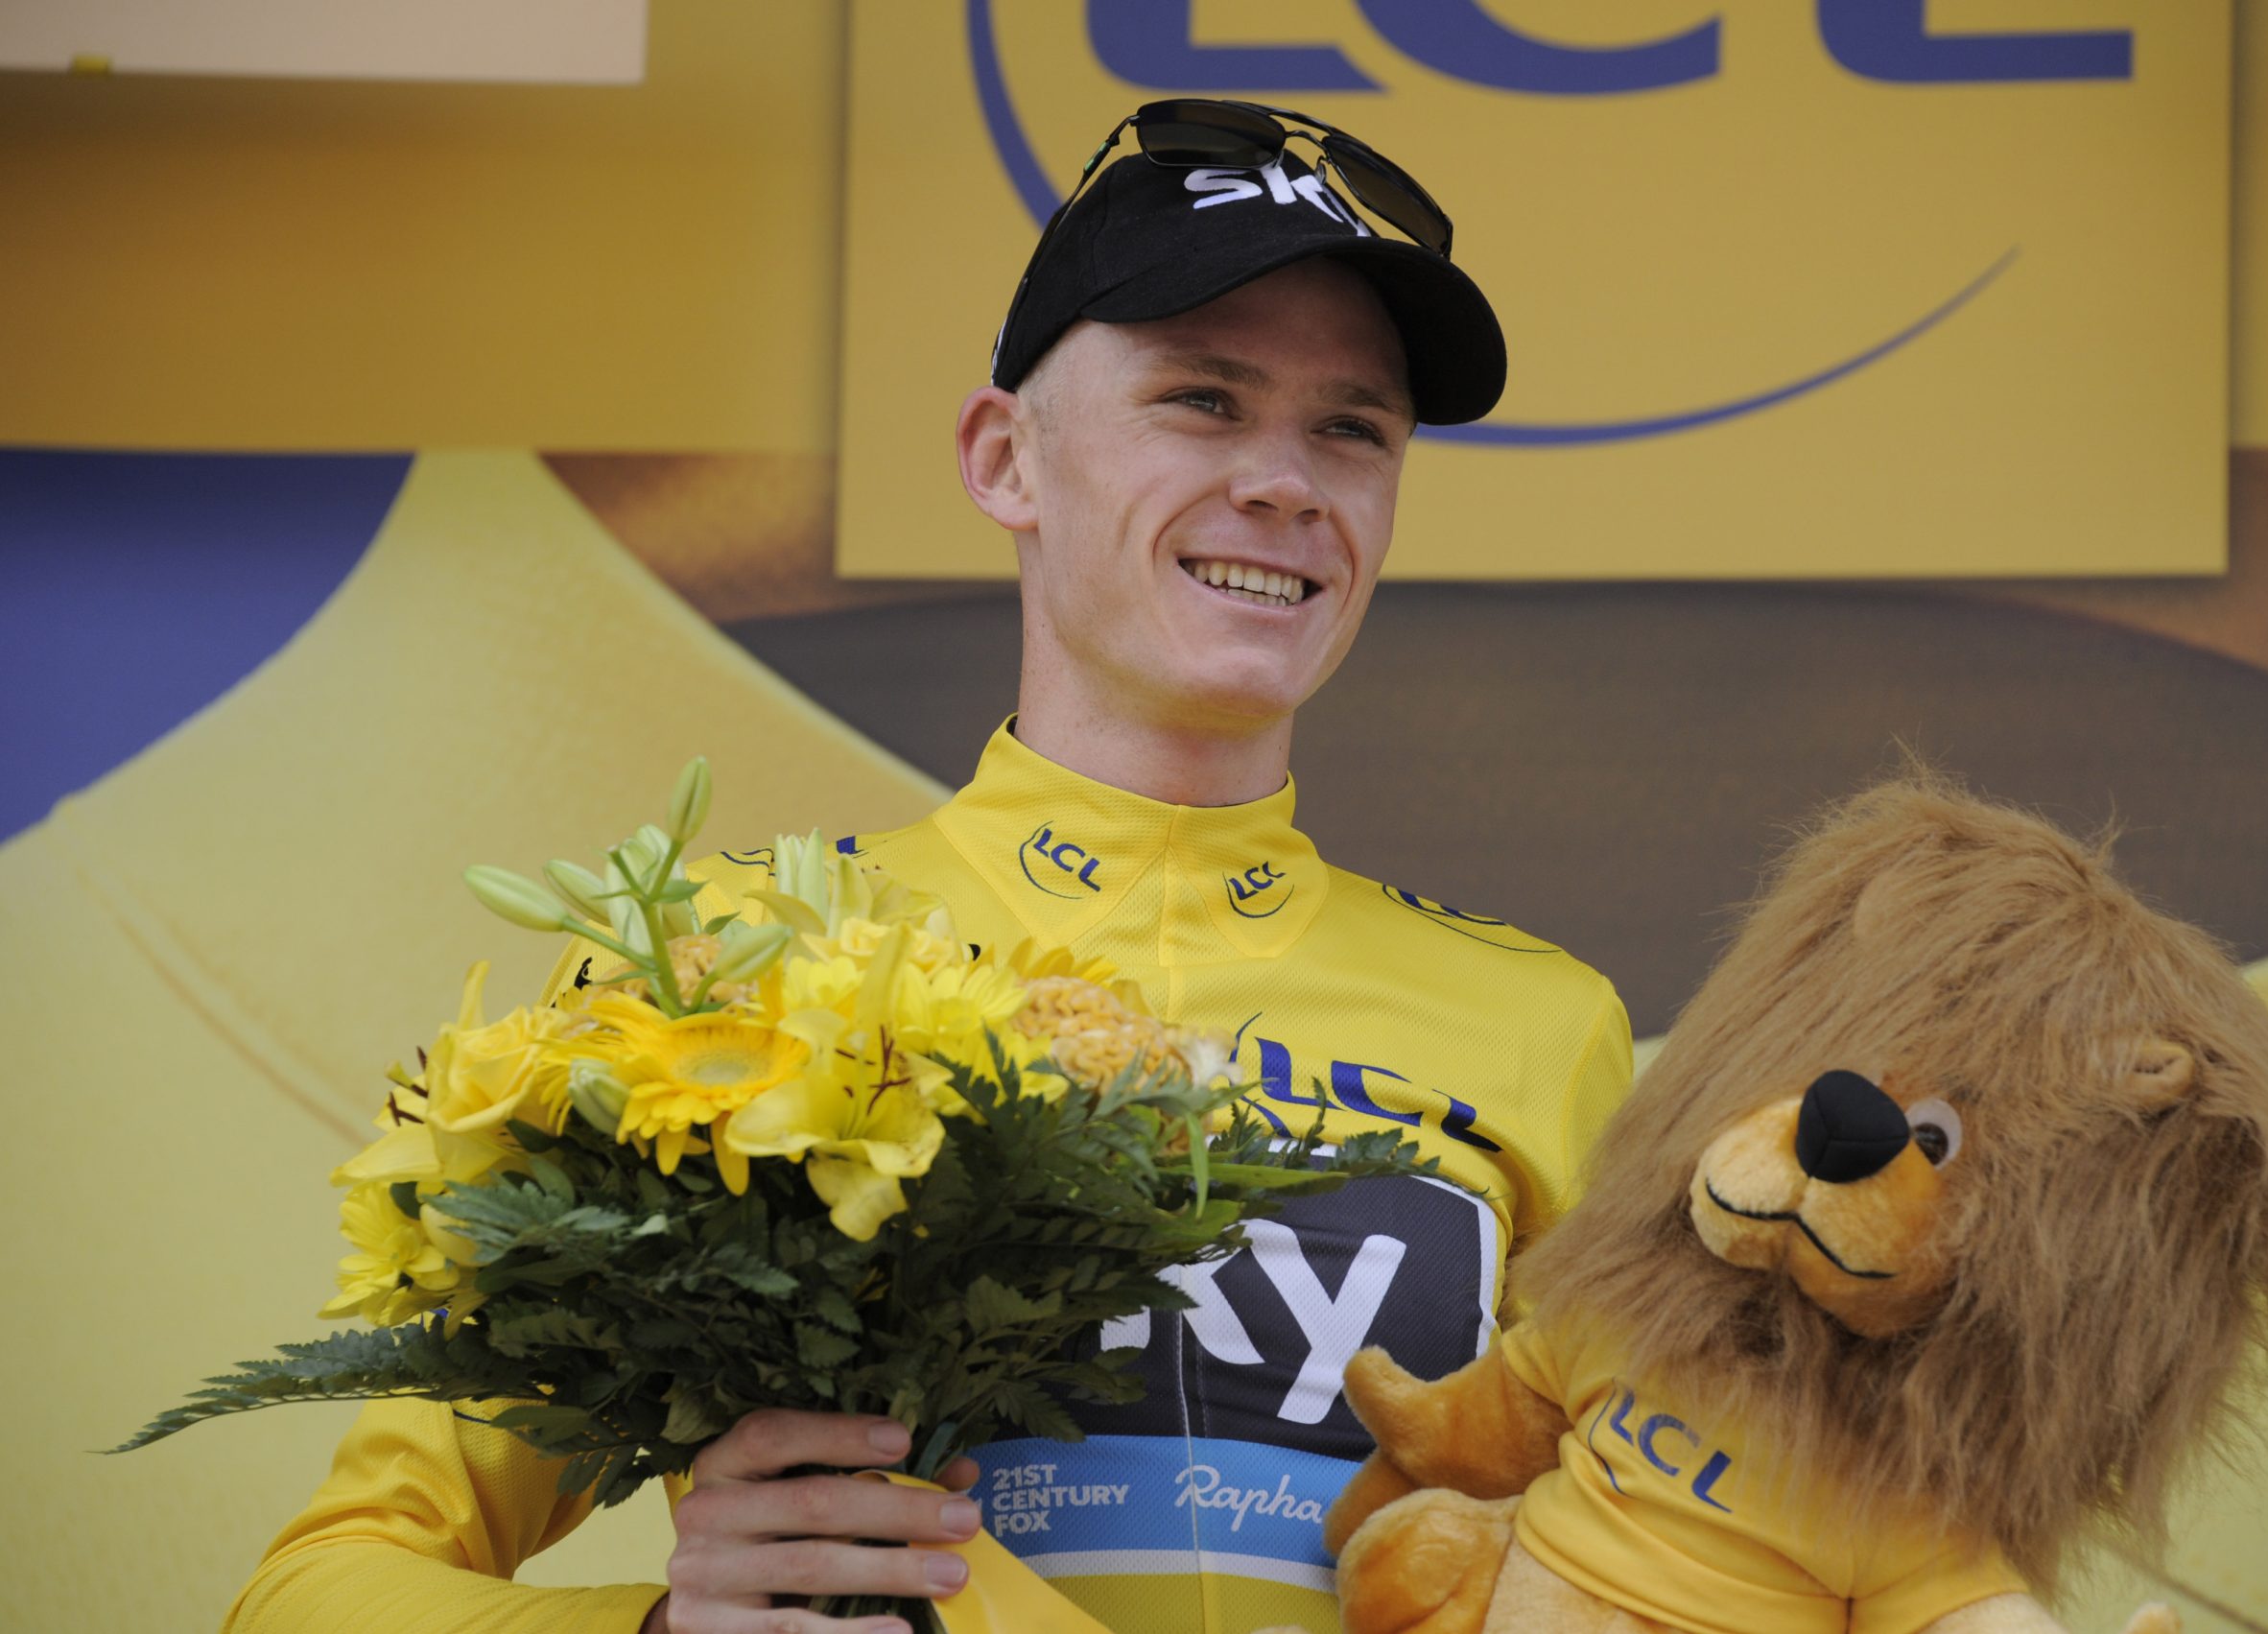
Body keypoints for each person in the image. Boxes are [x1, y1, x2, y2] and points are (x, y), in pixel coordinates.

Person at [228, 102, 1632, 1634]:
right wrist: (654, 1631)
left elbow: (1659, 1563)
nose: (1285, 482)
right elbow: (316, 1589)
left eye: (1350, 428)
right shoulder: (710, 975)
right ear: (1002, 458)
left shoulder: (1545, 1028)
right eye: (1203, 400)